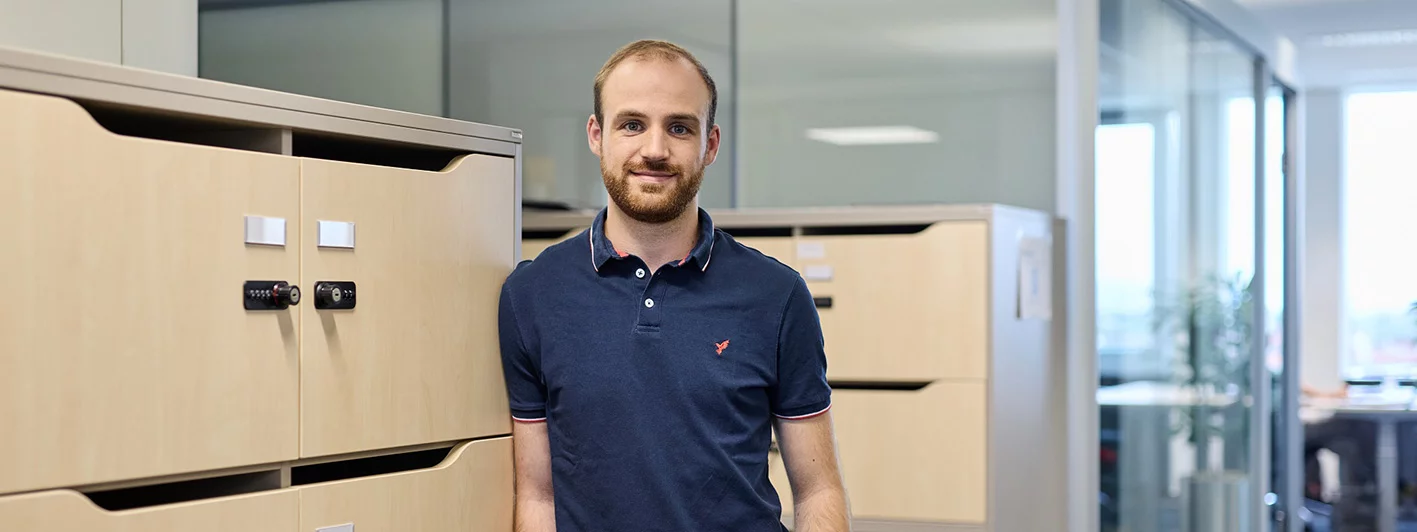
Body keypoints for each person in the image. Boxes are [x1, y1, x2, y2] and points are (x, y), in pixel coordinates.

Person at [496, 39, 852, 531]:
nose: (655, 150)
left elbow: (818, 490)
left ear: (710, 144)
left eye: (680, 127)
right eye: (632, 124)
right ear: (597, 135)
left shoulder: (778, 296)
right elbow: (537, 497)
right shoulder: (531, 295)